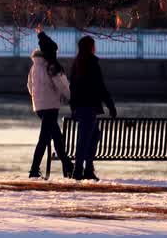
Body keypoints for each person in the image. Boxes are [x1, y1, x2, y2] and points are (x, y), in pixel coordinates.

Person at [69, 35, 117, 180]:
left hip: (81, 108)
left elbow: (72, 88)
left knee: (92, 136)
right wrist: (110, 106)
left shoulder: (77, 64)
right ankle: (80, 170)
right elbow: (100, 87)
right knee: (87, 138)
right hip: (89, 107)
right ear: (90, 47)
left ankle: (87, 169)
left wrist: (73, 107)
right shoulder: (92, 64)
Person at [27, 31, 73, 178]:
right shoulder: (51, 66)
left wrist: (37, 97)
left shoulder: (34, 66)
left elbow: (29, 86)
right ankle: (34, 170)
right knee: (44, 138)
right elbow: (62, 85)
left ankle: (67, 165)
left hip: (39, 107)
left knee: (56, 136)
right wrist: (71, 98)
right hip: (51, 107)